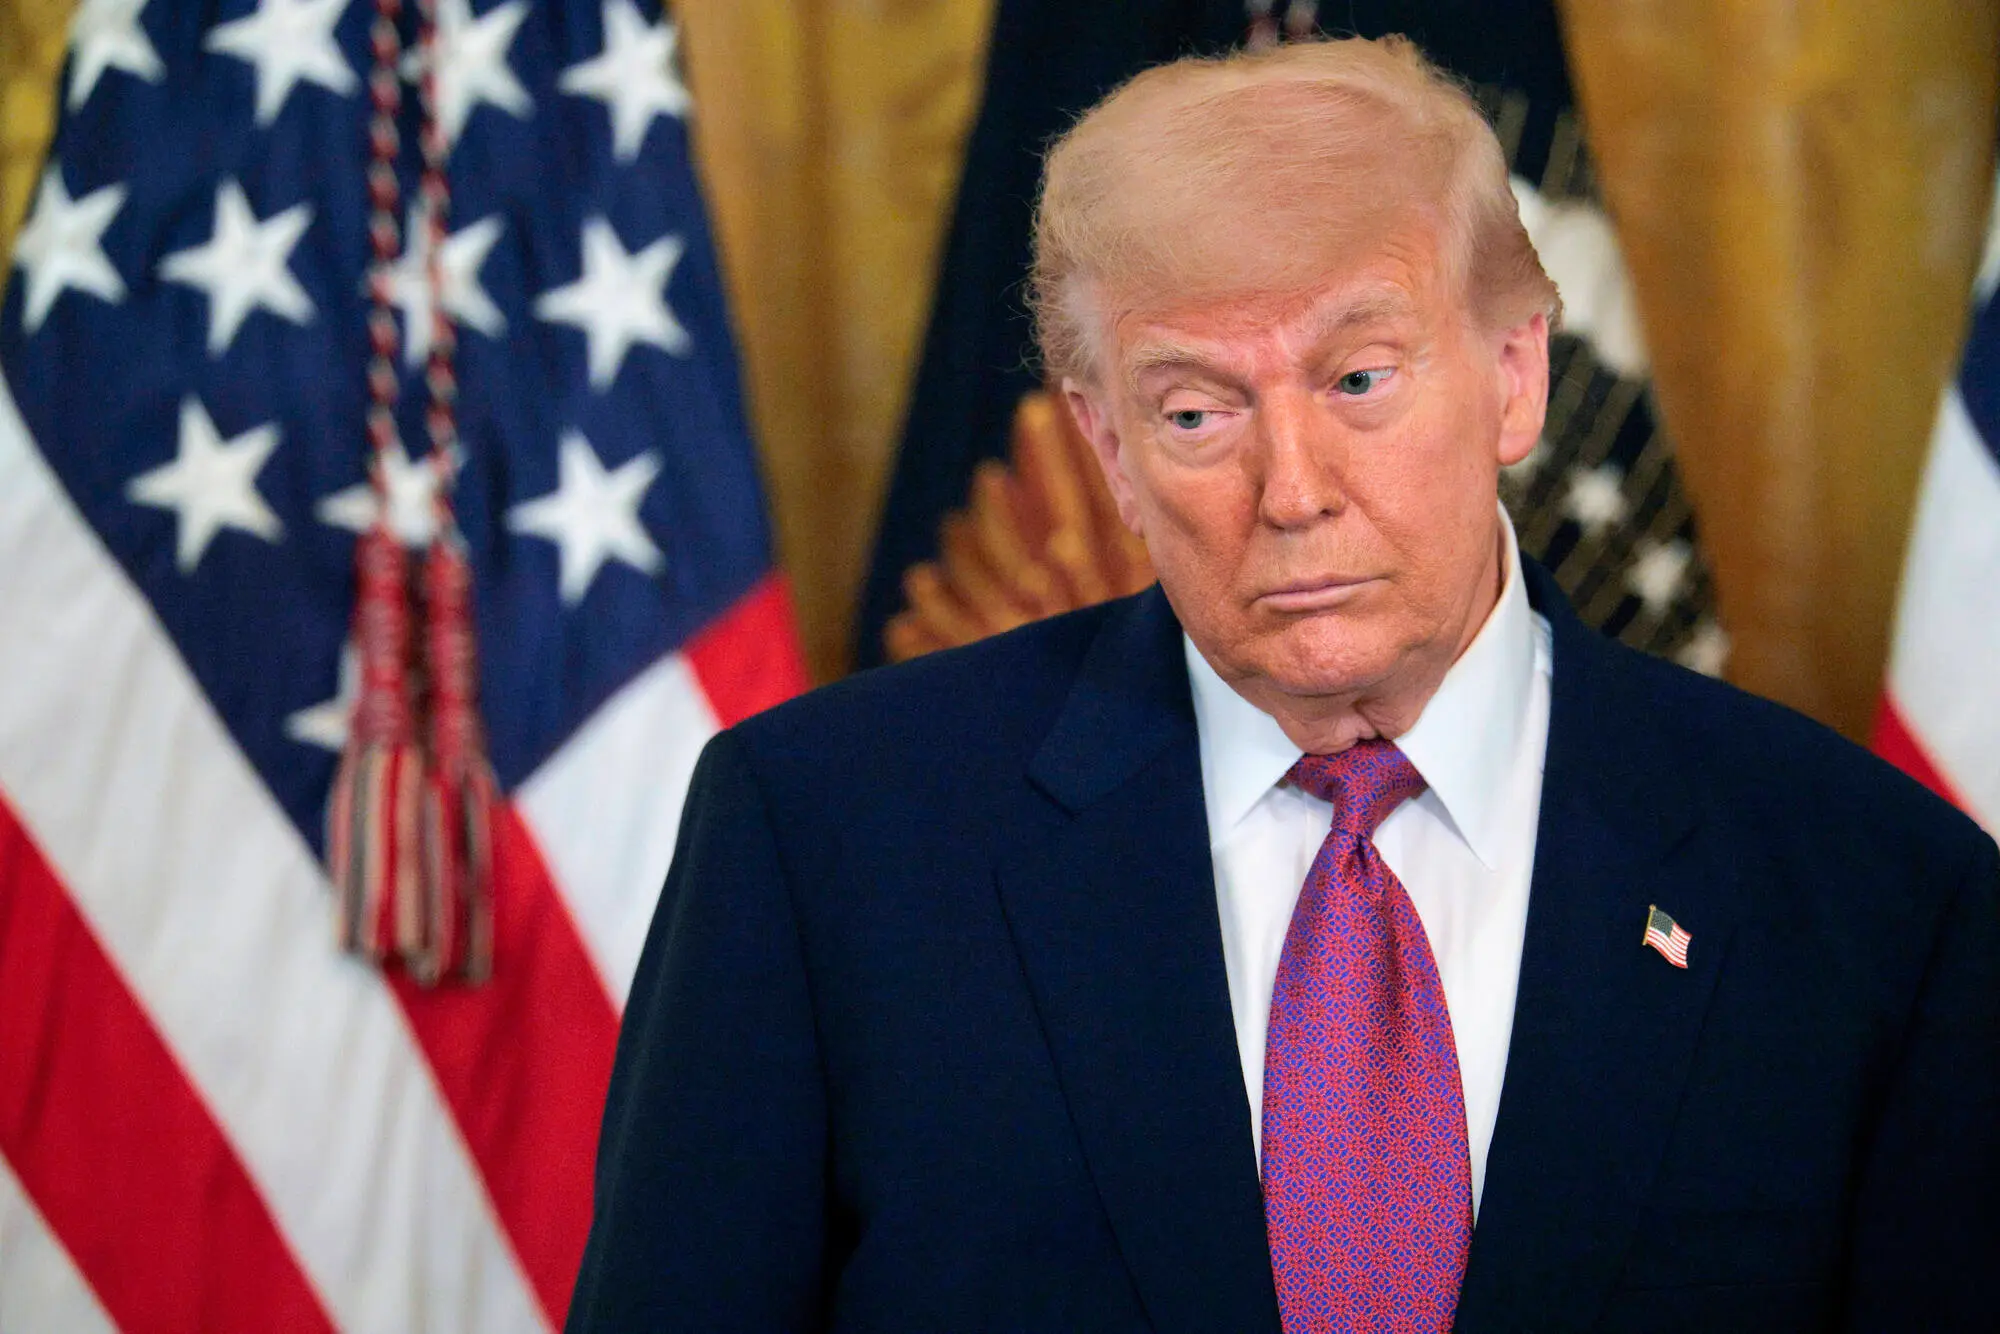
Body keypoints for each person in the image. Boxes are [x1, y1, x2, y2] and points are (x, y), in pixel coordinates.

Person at [567, 36, 2000, 1334]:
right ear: (1108, 448)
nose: (1291, 490)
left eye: (1360, 379)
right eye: (1196, 410)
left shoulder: (1872, 890)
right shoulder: (827, 841)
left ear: (1515, 375)